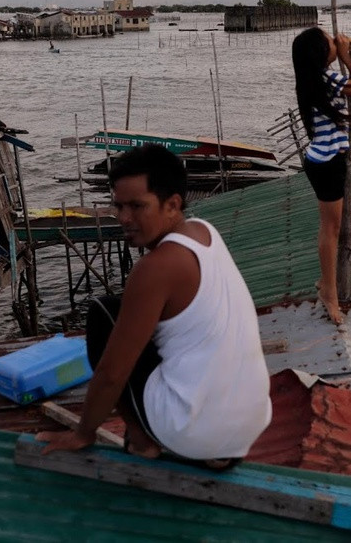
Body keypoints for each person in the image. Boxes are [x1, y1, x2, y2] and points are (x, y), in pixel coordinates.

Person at [35, 144, 271, 467]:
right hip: (244, 431)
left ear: (172, 204)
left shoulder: (154, 269)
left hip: (196, 437)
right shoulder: (205, 232)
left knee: (104, 314)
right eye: (118, 206)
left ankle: (144, 441)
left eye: (136, 206)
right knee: (136, 319)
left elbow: (110, 374)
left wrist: (83, 433)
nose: (124, 218)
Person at [291, 27, 351, 324]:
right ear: (322, 53)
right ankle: (330, 293)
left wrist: (342, 52)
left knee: (330, 228)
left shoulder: (315, 79)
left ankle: (327, 286)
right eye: (329, 39)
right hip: (327, 162)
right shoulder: (327, 78)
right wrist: (348, 57)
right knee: (331, 231)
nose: (335, 40)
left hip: (323, 160)